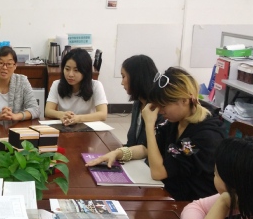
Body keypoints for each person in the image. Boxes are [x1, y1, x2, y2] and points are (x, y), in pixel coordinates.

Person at [87, 67, 226, 201]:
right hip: (170, 192)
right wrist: (118, 153)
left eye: (163, 105)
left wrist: (149, 124)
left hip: (192, 202)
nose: (160, 111)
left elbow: (159, 172)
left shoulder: (206, 135)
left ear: (184, 100)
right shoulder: (176, 120)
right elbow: (147, 149)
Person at [45, 48, 108, 124]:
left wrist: (78, 118)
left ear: (85, 71)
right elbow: (48, 111)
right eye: (67, 69)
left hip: (87, 126)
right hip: (65, 125)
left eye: (76, 70)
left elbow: (103, 114)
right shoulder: (57, 84)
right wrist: (61, 114)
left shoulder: (96, 85)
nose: (70, 74)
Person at [120, 55, 162, 146]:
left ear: (136, 78)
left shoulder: (158, 109)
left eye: (123, 77)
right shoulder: (138, 103)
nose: (121, 83)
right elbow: (132, 142)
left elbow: (149, 147)